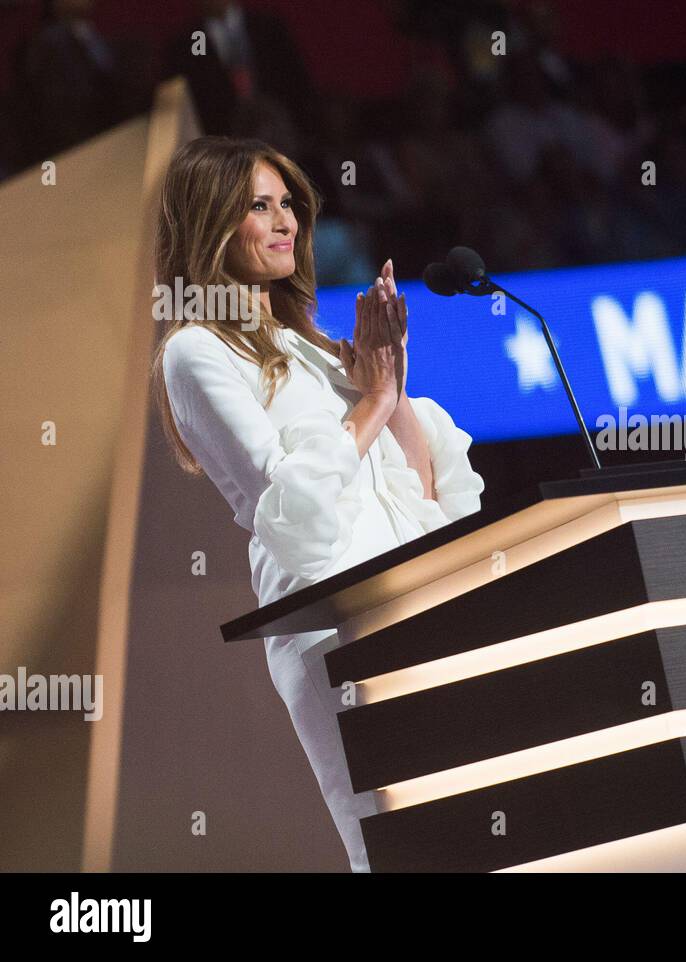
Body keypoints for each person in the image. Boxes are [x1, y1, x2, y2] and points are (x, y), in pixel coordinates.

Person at [150, 136, 485, 871]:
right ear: (211, 224)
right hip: (328, 616)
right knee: (396, 840)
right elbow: (286, 498)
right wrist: (371, 399)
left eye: (289, 205)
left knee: (468, 820)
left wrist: (388, 378)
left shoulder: (306, 344)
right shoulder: (195, 351)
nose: (287, 222)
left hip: (412, 593)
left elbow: (419, 488)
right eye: (260, 206)